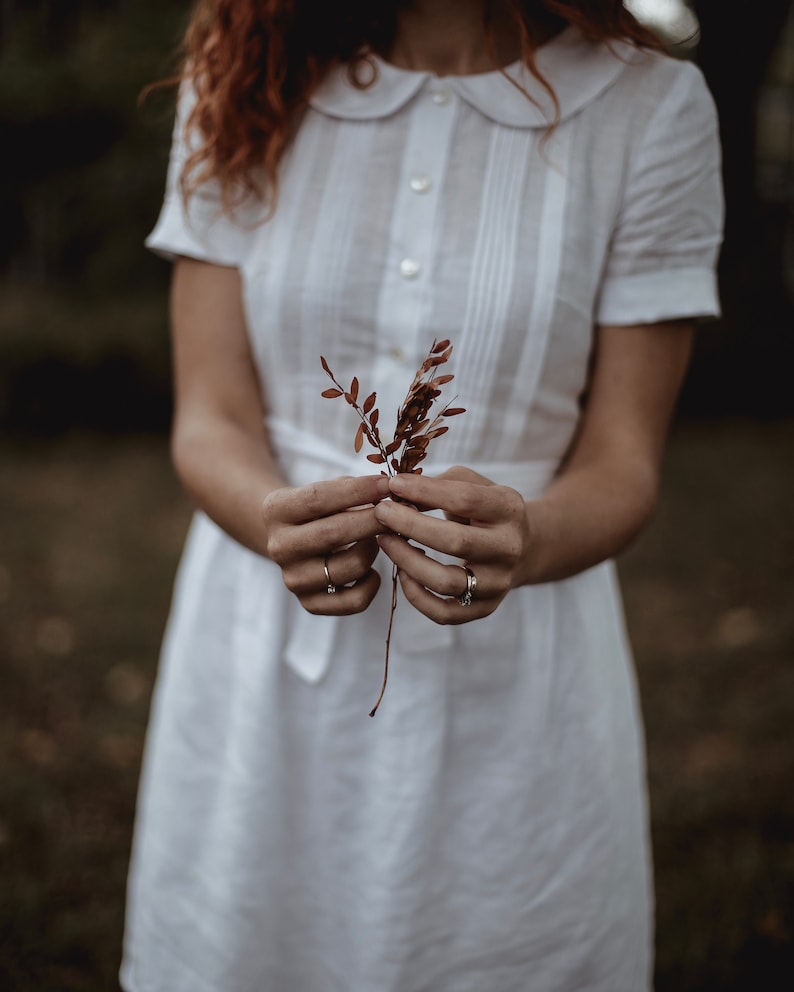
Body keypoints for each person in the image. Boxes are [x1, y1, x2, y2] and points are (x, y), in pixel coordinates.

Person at [121, 1, 723, 990]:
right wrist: (270, 516)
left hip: (520, 674)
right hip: (259, 660)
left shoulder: (648, 109)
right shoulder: (243, 79)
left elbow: (623, 459)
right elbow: (209, 416)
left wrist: (527, 537)